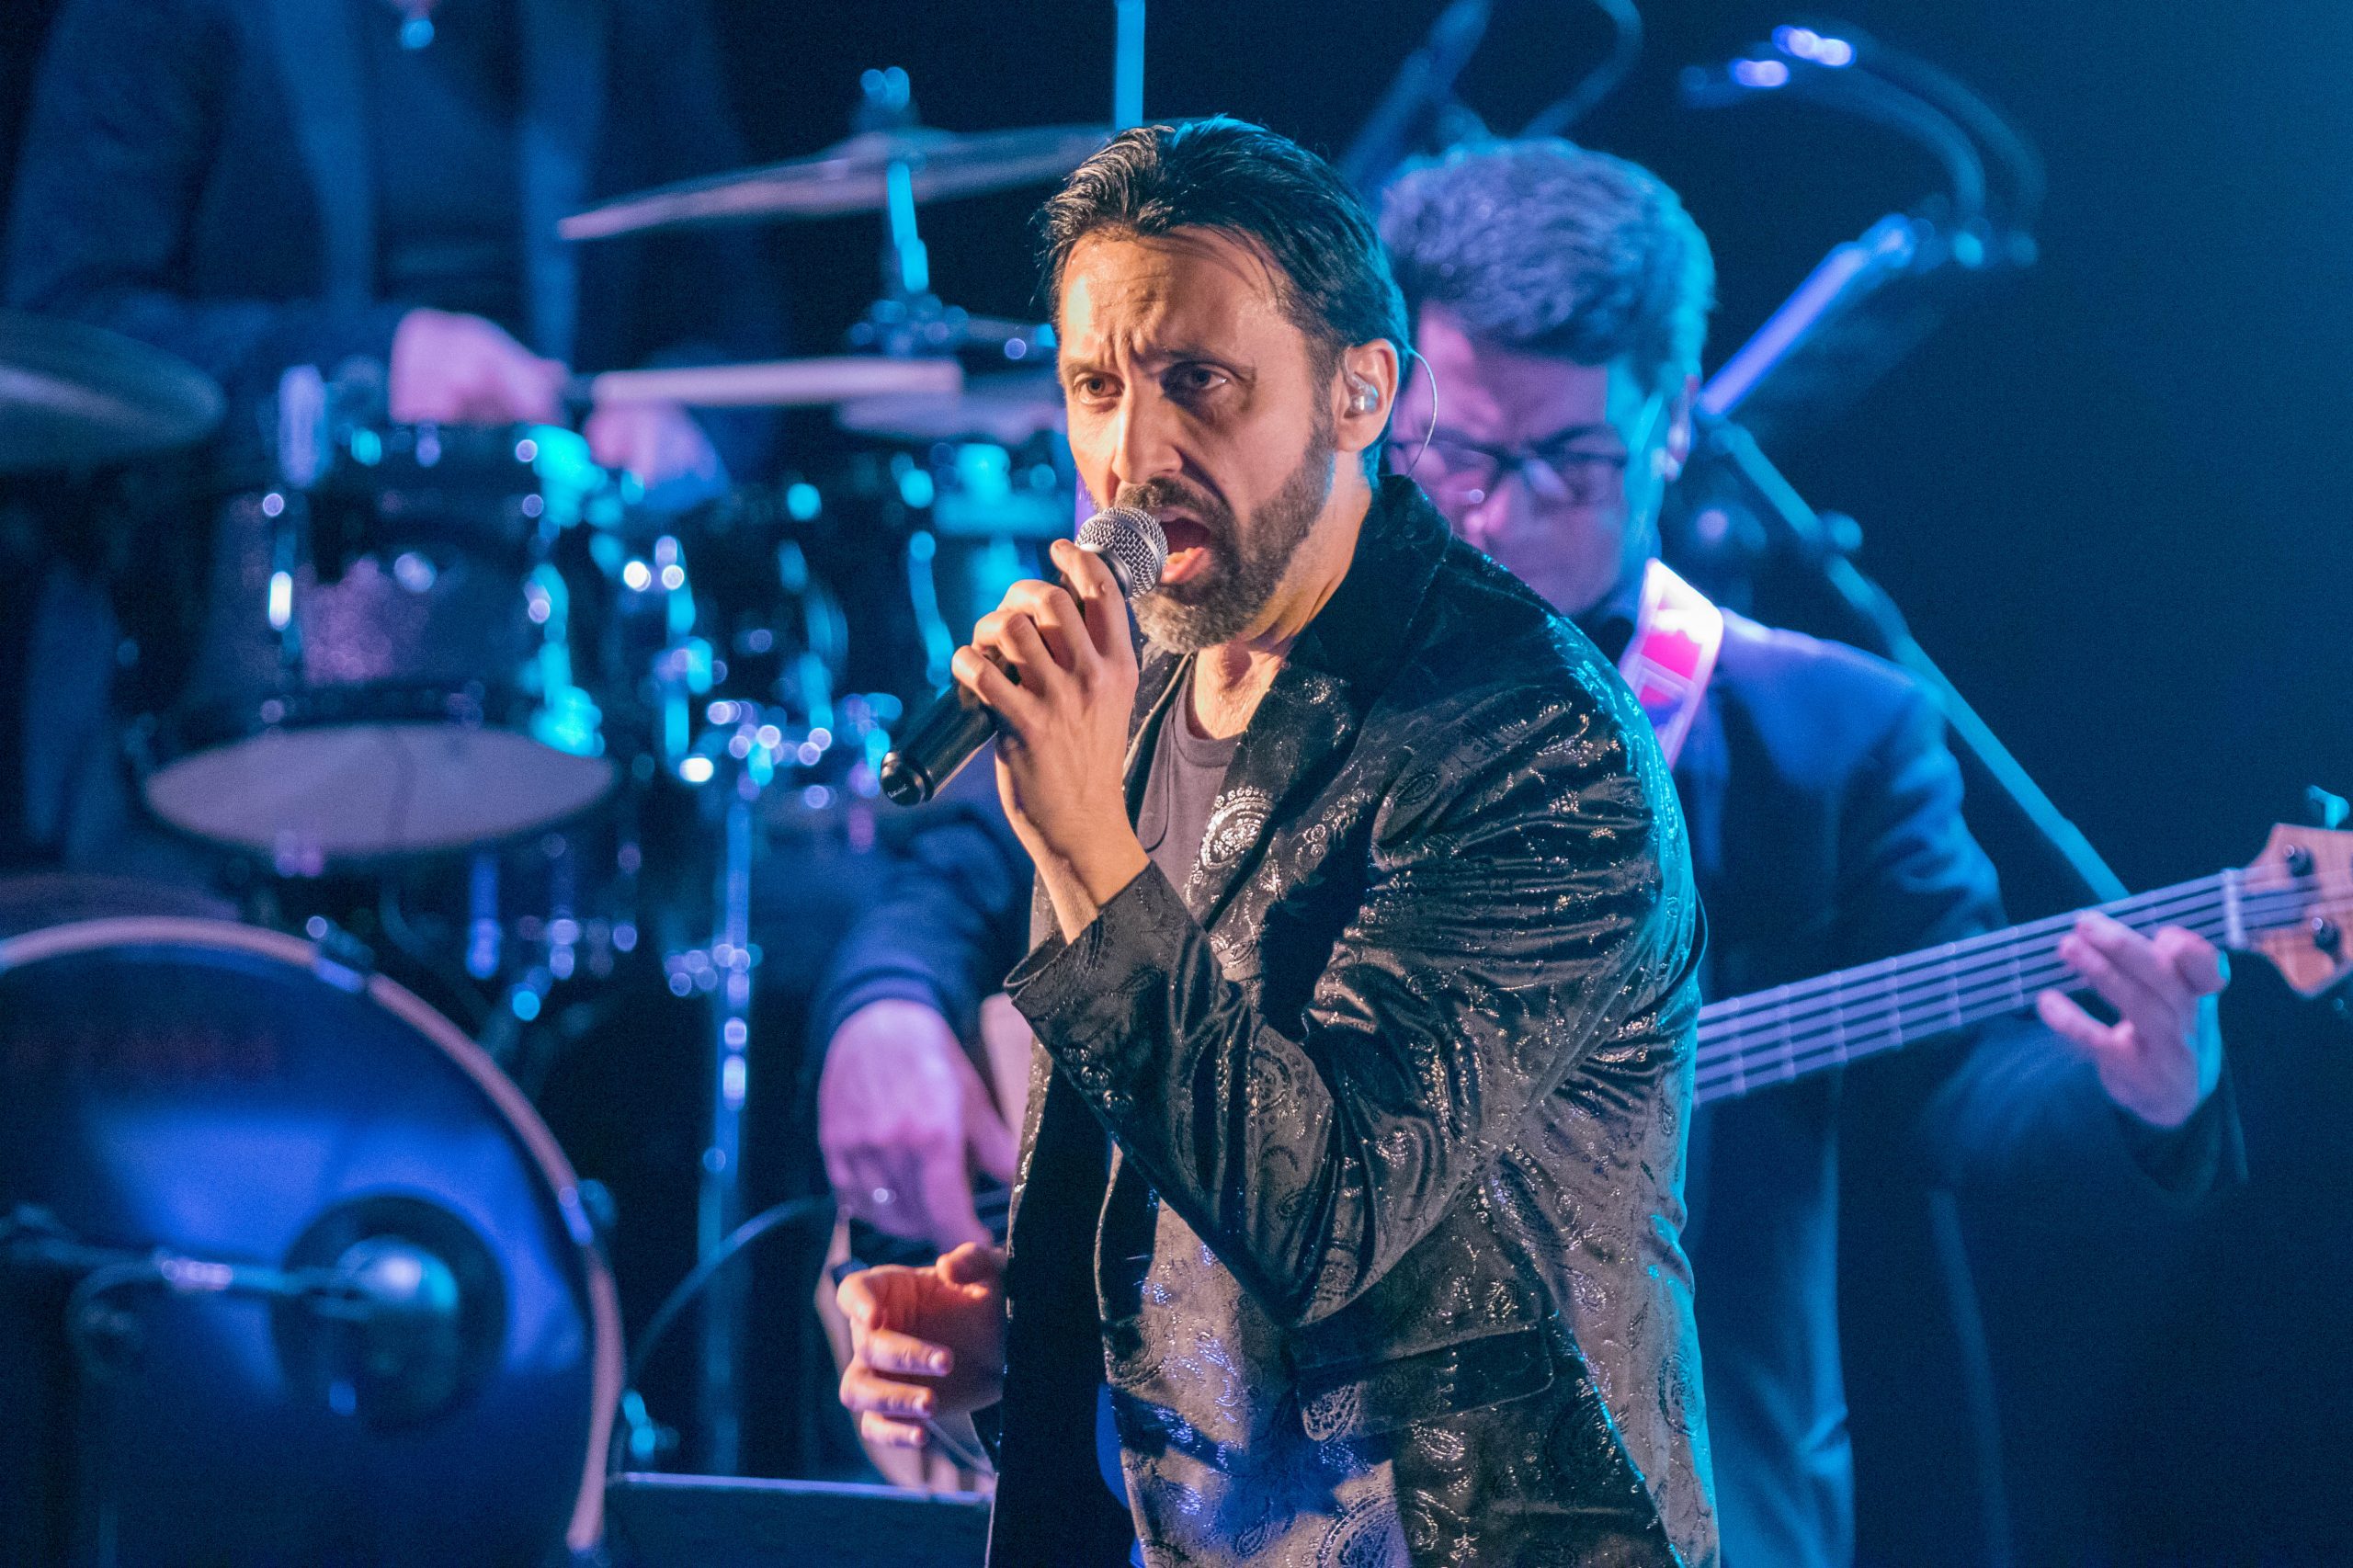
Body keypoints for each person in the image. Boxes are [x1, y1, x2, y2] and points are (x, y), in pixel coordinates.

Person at [814, 137, 2244, 1566]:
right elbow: (972, 892)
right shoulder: (1226, 673)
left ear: (1669, 424)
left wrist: (2138, 1092)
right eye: (1463, 453)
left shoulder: (1748, 737)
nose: (1497, 506)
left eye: (1565, 460)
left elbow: (1955, 1090)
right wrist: (911, 1060)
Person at [833, 119, 1715, 1567]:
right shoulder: (1140, 698)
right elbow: (1193, 1193)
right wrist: (1034, 1342)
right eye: (1098, 385)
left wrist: (1086, 849)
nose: (1133, 453)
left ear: (1361, 391)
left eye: (1198, 380)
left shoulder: (1531, 743)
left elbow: (1331, 1213)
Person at [2, 0, 778, 868]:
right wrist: (368, 358)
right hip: (206, 661)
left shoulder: (630, 22)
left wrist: (688, 419)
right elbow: (66, 327)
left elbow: (735, 321)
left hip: (553, 670)